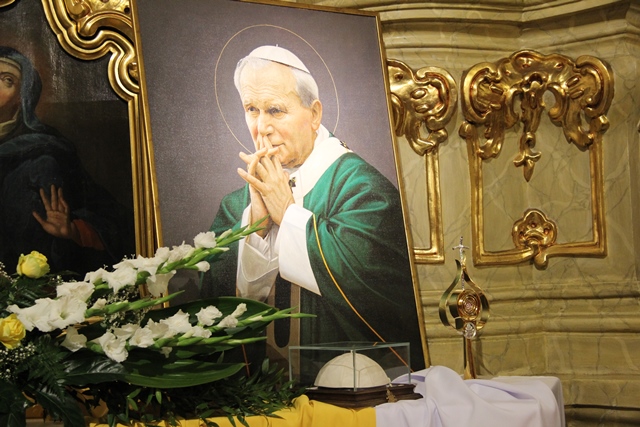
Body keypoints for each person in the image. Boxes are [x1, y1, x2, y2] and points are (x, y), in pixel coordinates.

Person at [202, 45, 425, 371]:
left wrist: (288, 214)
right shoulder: (236, 206)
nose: (261, 127)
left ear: (315, 114)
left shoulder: (363, 190)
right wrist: (255, 230)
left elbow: (376, 294)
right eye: (251, 109)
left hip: (349, 386)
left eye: (275, 110)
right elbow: (211, 311)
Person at [0, 46, 134, 274]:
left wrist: (73, 231)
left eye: (7, 80)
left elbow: (112, 219)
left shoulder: (44, 154)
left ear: (22, 98)